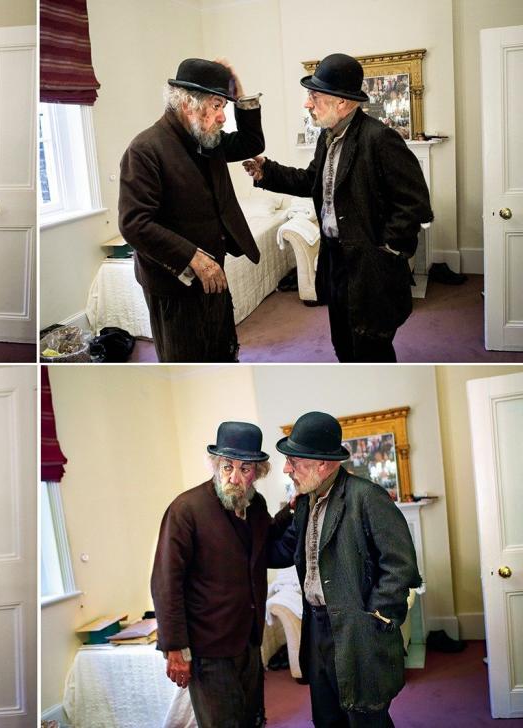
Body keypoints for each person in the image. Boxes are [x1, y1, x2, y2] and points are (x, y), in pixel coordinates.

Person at [243, 53, 433, 362]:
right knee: (343, 344)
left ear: (342, 103)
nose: (308, 103)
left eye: (314, 96)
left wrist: (388, 248)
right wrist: (268, 172)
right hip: (336, 261)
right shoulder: (326, 137)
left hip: (371, 267)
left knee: (372, 349)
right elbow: (311, 181)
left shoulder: (380, 139)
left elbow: (415, 203)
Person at [269, 411, 421, 727]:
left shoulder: (367, 497)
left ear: (322, 464)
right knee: (327, 717)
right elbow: (282, 551)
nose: (286, 468)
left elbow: (400, 565)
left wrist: (375, 619)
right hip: (318, 628)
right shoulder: (305, 502)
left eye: (293, 461)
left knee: (366, 717)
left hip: (357, 630)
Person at [118, 58, 265, 362]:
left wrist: (239, 93)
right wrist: (193, 257)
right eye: (216, 106)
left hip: (214, 272)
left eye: (224, 105)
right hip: (174, 283)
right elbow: (134, 223)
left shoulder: (207, 139)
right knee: (186, 356)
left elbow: (252, 142)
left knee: (222, 352)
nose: (223, 117)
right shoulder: (145, 149)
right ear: (188, 105)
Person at [151, 422, 292, 727]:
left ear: (258, 472)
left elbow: (264, 544)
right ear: (215, 464)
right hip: (208, 649)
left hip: (249, 642)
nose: (234, 477)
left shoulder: (255, 506)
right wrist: (175, 648)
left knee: (252, 719)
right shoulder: (186, 510)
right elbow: (166, 583)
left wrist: (291, 511)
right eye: (228, 466)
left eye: (245, 469)